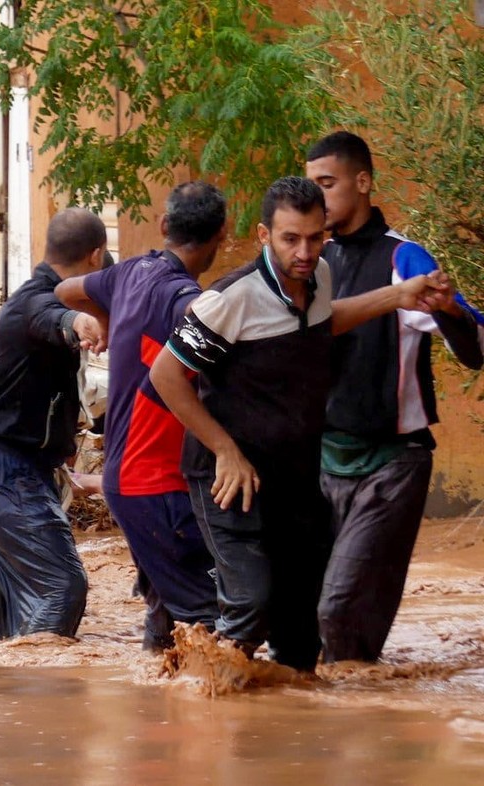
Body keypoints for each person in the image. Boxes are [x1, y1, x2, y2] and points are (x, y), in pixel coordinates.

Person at [149, 176, 445, 671]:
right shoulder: (229, 300)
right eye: (291, 238)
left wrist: (398, 297)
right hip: (228, 477)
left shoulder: (320, 277)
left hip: (293, 479)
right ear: (265, 236)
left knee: (301, 627)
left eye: (315, 237)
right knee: (249, 605)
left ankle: (289, 728)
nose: (305, 251)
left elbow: (324, 323)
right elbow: (165, 375)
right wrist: (225, 449)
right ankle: (194, 710)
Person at [306, 131, 484, 663]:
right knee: (305, 618)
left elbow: (476, 347)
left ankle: (359, 726)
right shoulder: (313, 260)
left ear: (362, 183)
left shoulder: (404, 257)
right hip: (321, 460)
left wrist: (451, 309)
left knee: (339, 611)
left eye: (327, 184)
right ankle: (333, 726)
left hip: (392, 464)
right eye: (311, 186)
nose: (318, 199)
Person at [55, 181, 227, 651]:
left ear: (164, 225)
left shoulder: (127, 274)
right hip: (156, 487)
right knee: (209, 624)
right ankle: (215, 717)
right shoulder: (182, 300)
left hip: (129, 482)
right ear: (223, 237)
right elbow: (203, 318)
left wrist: (106, 318)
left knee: (169, 618)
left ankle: (157, 713)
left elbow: (66, 288)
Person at [0, 207, 109, 639]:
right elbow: (50, 315)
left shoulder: (40, 295)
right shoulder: (34, 301)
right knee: (63, 586)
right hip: (2, 474)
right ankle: (42, 699)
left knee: (17, 625)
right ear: (95, 256)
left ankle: (14, 702)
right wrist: (78, 321)